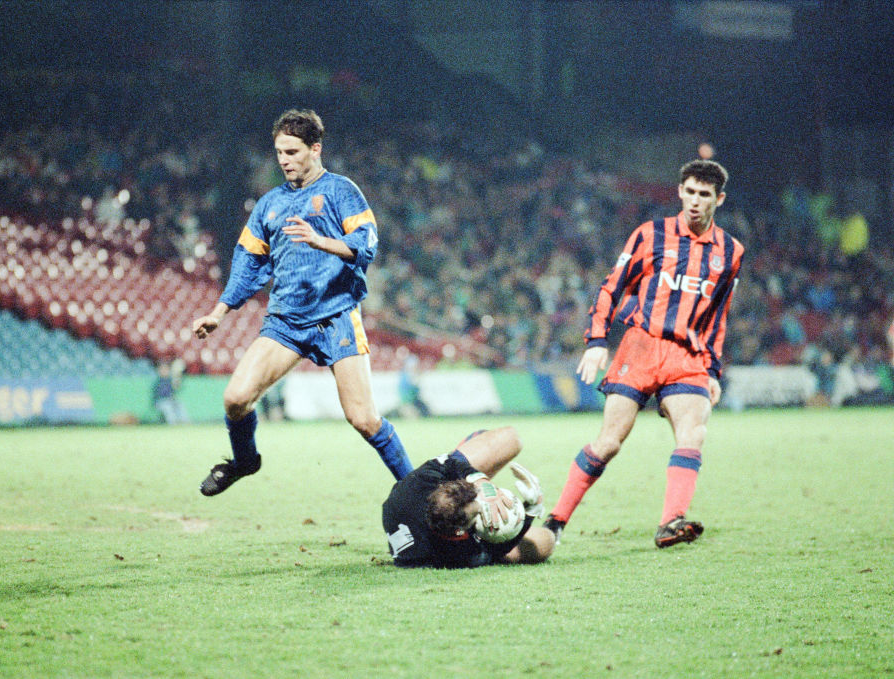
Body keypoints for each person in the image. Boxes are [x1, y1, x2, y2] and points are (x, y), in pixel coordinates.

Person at [192, 109, 413, 496]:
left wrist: (321, 241)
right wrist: (219, 312)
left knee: (363, 419)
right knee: (235, 398)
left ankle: (418, 492)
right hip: (287, 321)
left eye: (292, 152)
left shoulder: (341, 191)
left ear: (316, 149)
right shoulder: (269, 205)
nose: (284, 160)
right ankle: (245, 461)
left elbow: (368, 241)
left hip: (337, 315)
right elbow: (247, 264)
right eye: (279, 152)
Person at [543, 159, 744, 548]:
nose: (696, 201)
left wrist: (713, 370)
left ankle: (671, 521)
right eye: (690, 192)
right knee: (609, 442)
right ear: (680, 191)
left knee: (693, 433)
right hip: (641, 346)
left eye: (705, 195)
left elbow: (719, 316)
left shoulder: (731, 252)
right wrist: (597, 340)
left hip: (687, 356)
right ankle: (556, 520)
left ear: (719, 199)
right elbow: (611, 288)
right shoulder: (650, 235)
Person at [383, 427, 555, 568]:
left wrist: (482, 483)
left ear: (445, 487)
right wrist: (532, 509)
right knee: (546, 541)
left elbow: (448, 463)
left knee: (510, 439)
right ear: (460, 531)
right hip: (435, 547)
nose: (482, 509)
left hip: (417, 509)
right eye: (478, 514)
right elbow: (495, 550)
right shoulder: (459, 554)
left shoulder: (418, 485)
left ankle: (477, 443)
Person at [152, 360, 189, 424]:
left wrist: (177, 378)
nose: (164, 371)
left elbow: (176, 388)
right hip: (160, 401)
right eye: (162, 369)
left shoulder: (170, 379)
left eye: (166, 369)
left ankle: (185, 422)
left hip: (170, 401)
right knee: (168, 407)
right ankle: (173, 423)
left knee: (179, 405)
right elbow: (161, 394)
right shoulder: (158, 381)